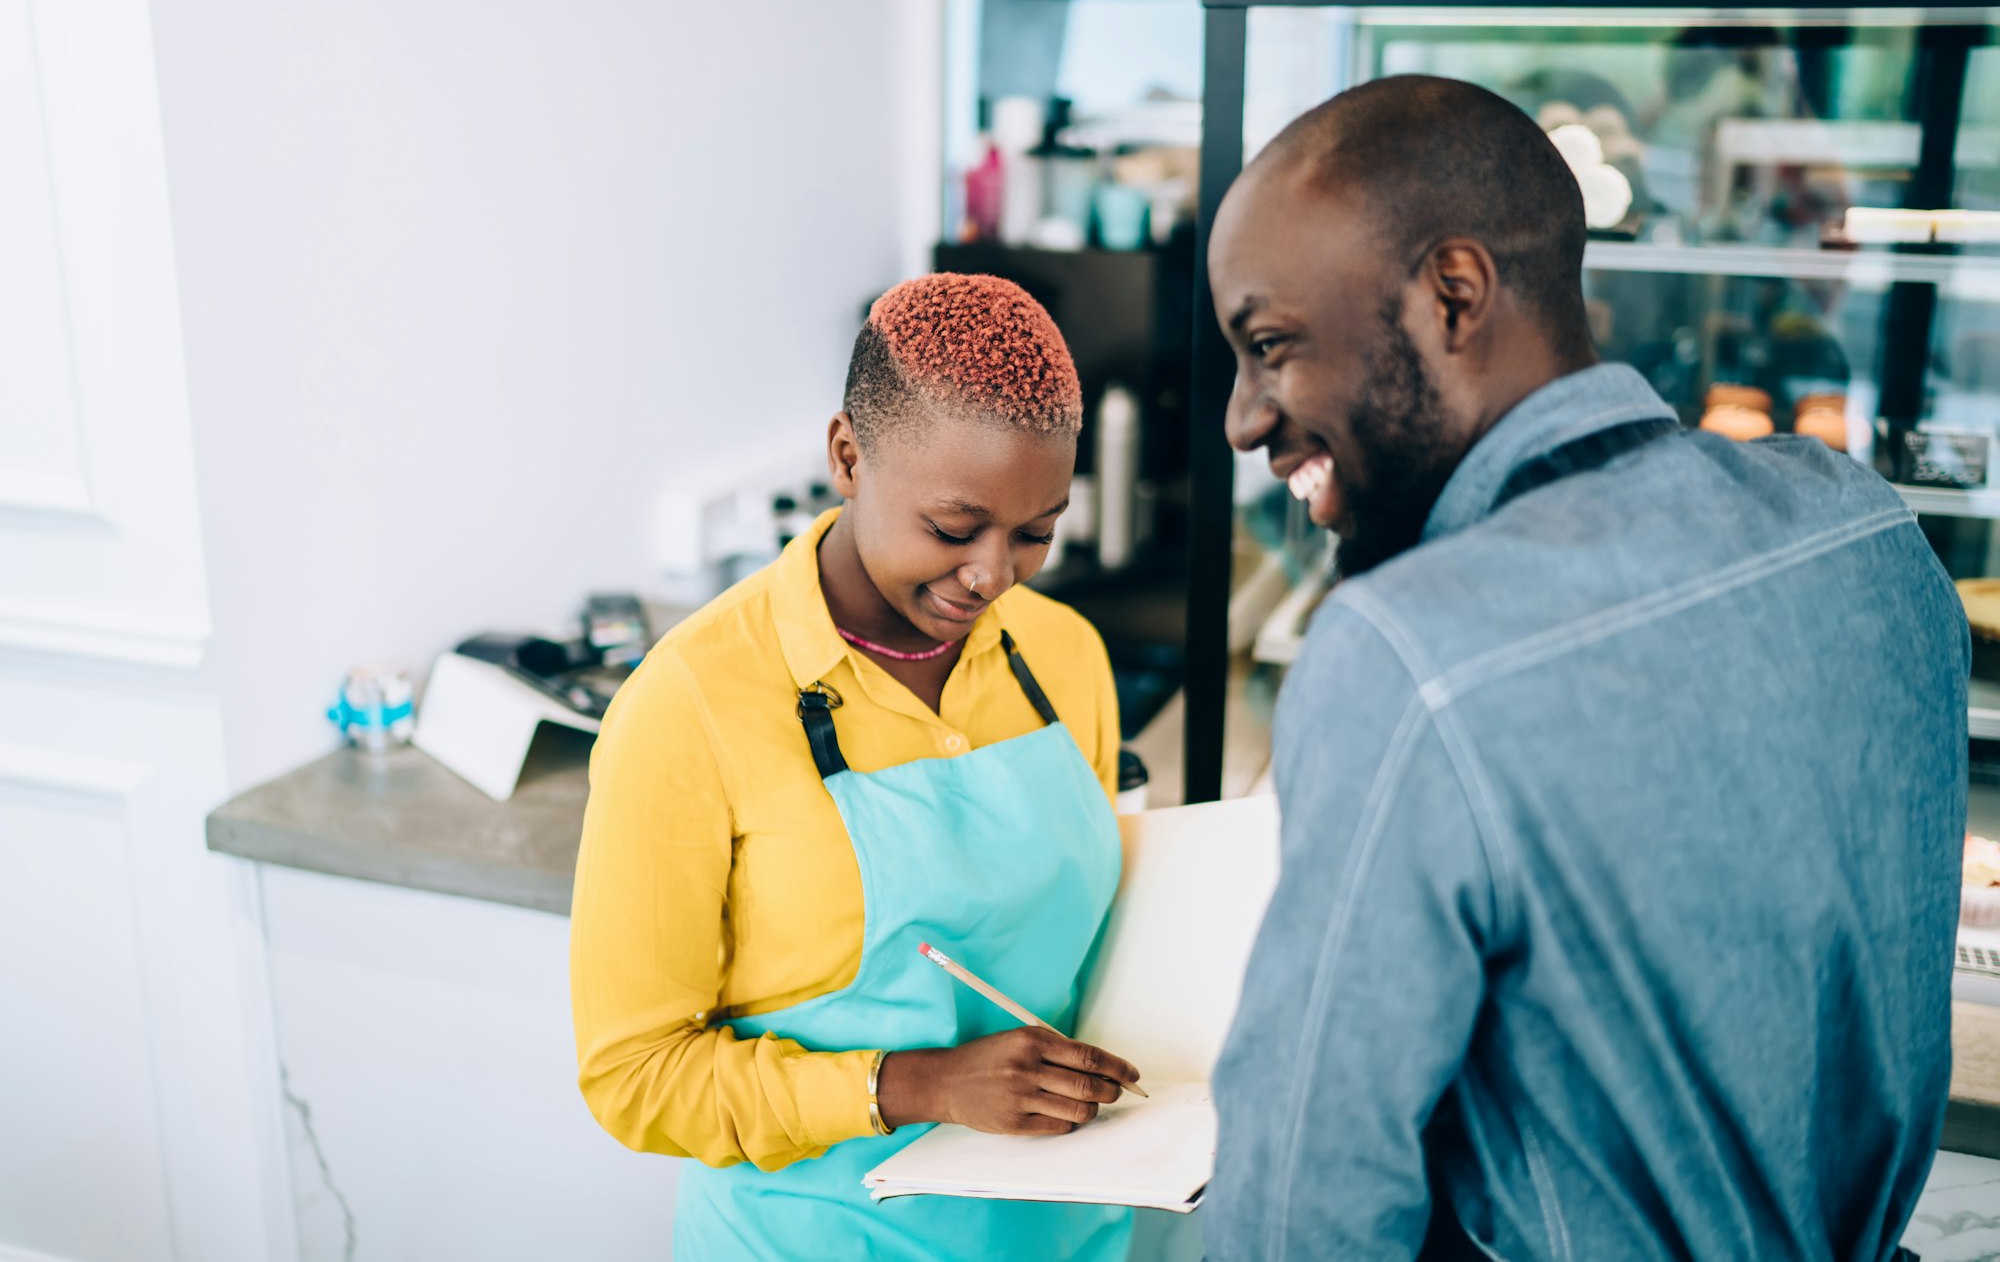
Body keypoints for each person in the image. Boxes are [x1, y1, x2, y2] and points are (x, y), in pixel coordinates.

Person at [1203, 74, 1966, 1260]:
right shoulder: (1860, 529)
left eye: (1269, 346)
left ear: (1453, 295)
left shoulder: (1405, 652)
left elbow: (1301, 1215)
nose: (1242, 419)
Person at [568, 273, 1142, 1260]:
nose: (992, 575)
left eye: (1036, 532)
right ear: (846, 454)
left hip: (1063, 1232)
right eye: (954, 529)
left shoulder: (1064, 655)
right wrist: (909, 1083)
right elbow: (635, 1072)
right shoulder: (689, 705)